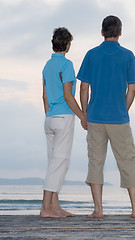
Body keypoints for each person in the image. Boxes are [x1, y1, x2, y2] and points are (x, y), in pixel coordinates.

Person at [77, 15, 135, 219]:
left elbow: (83, 86)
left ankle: (98, 210)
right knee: (127, 161)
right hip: (119, 118)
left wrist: (85, 113)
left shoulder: (91, 54)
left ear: (102, 32)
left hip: (95, 117)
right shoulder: (128, 55)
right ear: (120, 32)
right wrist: (123, 109)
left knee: (95, 162)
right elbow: (132, 90)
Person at [41, 27, 87, 218]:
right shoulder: (66, 65)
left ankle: (55, 207)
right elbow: (68, 96)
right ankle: (45, 208)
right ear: (67, 44)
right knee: (60, 163)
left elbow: (44, 96)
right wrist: (82, 116)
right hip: (63, 117)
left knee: (54, 163)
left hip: (50, 118)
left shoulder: (47, 65)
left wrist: (49, 116)